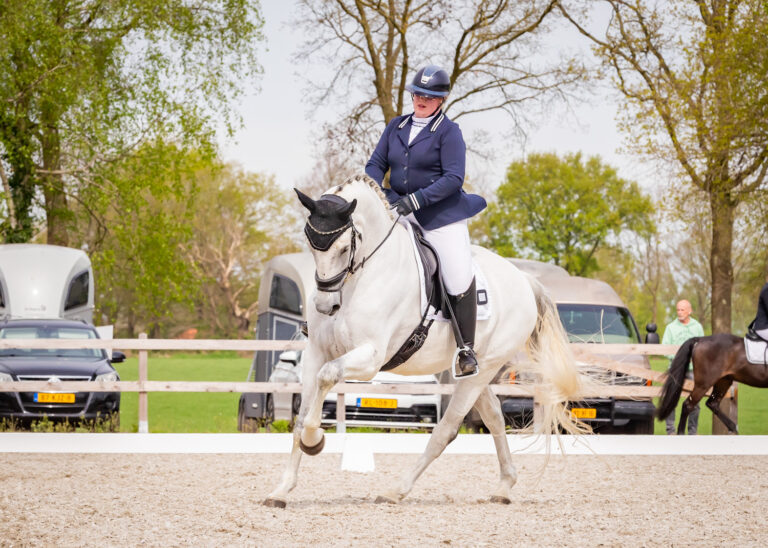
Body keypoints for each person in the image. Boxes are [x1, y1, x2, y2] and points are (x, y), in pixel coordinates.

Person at [365, 64, 487, 377]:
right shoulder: (396, 126)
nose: (421, 99)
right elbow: (375, 166)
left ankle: (465, 350)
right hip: (398, 210)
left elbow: (453, 178)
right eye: (418, 93)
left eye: (429, 96)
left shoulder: (449, 132)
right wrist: (381, 195)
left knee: (458, 274)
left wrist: (416, 200)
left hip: (439, 216)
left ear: (441, 99)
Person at [662, 299, 705, 434]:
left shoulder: (697, 327)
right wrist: (680, 360)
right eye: (678, 310)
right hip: (675, 369)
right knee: (670, 400)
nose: (680, 312)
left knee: (695, 402)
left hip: (693, 370)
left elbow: (703, 348)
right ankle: (671, 431)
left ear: (689, 311)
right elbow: (665, 348)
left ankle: (692, 432)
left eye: (682, 310)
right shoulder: (670, 328)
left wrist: (694, 360)